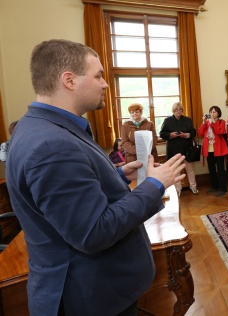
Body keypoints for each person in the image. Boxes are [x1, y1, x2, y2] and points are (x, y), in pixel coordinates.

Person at [6, 39, 185, 315]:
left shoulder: (40, 127)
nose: (104, 84)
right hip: (92, 296)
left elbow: (72, 189)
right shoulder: (51, 145)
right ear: (69, 80)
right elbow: (93, 232)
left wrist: (117, 175)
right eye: (98, 75)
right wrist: (154, 184)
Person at [160, 101, 198, 195]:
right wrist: (171, 135)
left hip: (187, 149)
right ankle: (178, 190)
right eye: (177, 110)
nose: (179, 111)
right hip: (174, 150)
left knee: (190, 169)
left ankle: (193, 186)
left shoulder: (188, 120)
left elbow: (193, 133)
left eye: (180, 110)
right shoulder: (168, 120)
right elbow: (162, 134)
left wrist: (185, 135)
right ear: (173, 110)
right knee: (176, 171)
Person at [198, 106, 228, 197]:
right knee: (211, 169)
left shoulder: (222, 122)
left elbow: (219, 132)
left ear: (218, 113)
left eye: (214, 112)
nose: (212, 114)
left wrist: (214, 122)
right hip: (209, 150)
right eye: (211, 112)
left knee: (220, 170)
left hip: (219, 150)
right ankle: (214, 186)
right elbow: (200, 133)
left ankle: (223, 189)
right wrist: (204, 122)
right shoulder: (207, 123)